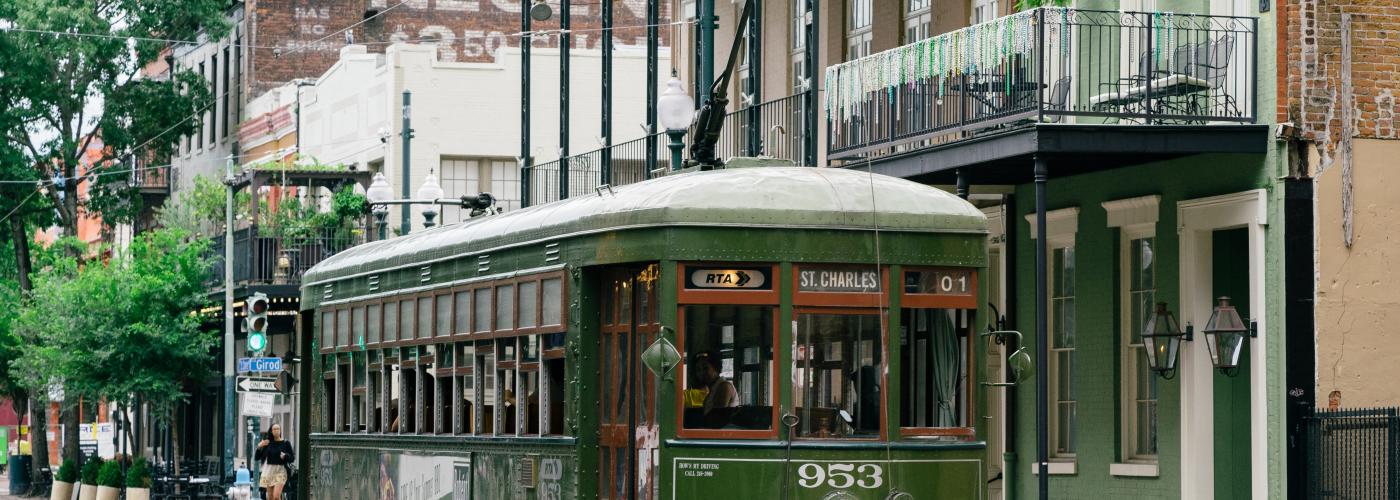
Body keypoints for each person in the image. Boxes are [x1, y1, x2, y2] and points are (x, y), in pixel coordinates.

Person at [694, 352, 738, 427]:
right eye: (698, 370)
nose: (701, 373)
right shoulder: (711, 391)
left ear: (716, 368)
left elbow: (716, 420)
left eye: (705, 368)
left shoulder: (724, 387)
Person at [255, 423, 295, 500]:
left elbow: (292, 458)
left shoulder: (286, 443)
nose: (276, 431)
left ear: (280, 431)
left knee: (276, 496)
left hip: (281, 471)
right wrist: (259, 447)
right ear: (271, 431)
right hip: (269, 471)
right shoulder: (267, 443)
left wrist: (285, 456)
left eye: (278, 429)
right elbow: (257, 458)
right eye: (274, 429)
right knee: (270, 497)